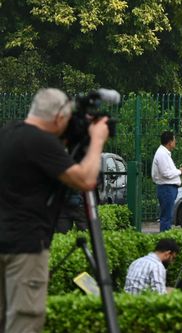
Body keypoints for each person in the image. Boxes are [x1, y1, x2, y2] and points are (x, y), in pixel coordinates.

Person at [0, 88, 110, 333]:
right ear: (59, 117)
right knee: (24, 321)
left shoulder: (8, 133)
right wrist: (97, 140)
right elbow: (85, 180)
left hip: (4, 241)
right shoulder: (40, 141)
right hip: (26, 248)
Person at [151, 130, 182, 232]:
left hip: (168, 189)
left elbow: (167, 171)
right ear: (169, 142)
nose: (175, 142)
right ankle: (165, 241)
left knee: (167, 216)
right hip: (166, 189)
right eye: (174, 140)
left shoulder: (164, 153)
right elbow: (166, 173)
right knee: (166, 217)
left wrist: (178, 171)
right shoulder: (162, 154)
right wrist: (180, 171)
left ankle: (166, 239)